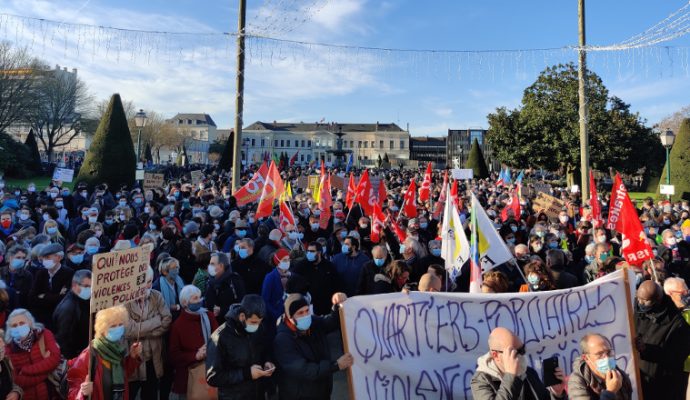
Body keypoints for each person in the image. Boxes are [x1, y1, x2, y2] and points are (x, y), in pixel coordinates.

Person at [273, 292, 353, 400]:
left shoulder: (313, 323)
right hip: (299, 395)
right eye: (300, 313)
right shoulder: (282, 340)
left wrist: (337, 305)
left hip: (321, 391)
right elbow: (305, 370)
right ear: (290, 317)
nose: (305, 316)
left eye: (307, 311)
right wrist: (336, 365)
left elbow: (331, 322)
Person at [67, 305, 143, 400]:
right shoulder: (90, 353)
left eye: (120, 324)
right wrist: (82, 393)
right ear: (102, 328)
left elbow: (123, 375)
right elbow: (72, 387)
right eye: (113, 326)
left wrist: (132, 357)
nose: (118, 328)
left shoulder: (117, 348)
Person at [206, 295, 274, 399]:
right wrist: (246, 373)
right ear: (242, 316)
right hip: (233, 396)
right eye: (254, 322)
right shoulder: (220, 337)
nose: (257, 326)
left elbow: (263, 349)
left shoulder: (258, 328)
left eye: (260, 322)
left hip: (257, 393)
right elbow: (213, 377)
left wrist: (267, 362)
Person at [470, 327, 566, 399]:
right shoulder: (481, 381)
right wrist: (511, 376)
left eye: (522, 350)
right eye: (514, 352)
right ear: (496, 355)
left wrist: (557, 394)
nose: (521, 356)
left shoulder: (528, 372)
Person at [634, 280, 690, 399]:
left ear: (657, 300)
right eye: (639, 299)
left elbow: (677, 357)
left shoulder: (678, 324)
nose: (640, 303)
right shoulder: (635, 309)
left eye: (645, 301)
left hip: (661, 386)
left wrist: (647, 349)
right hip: (636, 379)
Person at [125, 267, 172, 400]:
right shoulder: (125, 301)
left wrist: (140, 332)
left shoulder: (156, 296)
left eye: (150, 281)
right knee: (130, 393)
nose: (147, 286)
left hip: (153, 356)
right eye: (143, 282)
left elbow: (167, 321)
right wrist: (156, 321)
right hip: (133, 357)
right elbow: (128, 330)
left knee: (151, 393)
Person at [169, 285, 219, 398]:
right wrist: (195, 355)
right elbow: (174, 356)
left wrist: (210, 348)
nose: (199, 301)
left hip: (211, 371)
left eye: (199, 297)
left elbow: (219, 339)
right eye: (194, 298)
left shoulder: (209, 316)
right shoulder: (178, 325)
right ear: (185, 302)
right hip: (187, 378)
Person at [4, 308, 61, 400]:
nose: (18, 327)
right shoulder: (9, 349)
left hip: (50, 394)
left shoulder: (44, 334)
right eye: (14, 325)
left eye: (22, 323)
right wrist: (45, 367)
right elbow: (17, 381)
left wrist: (26, 370)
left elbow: (55, 359)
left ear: (30, 323)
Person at [568, 333, 632, 400]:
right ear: (586, 358)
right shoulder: (577, 381)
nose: (606, 358)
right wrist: (610, 392)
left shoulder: (621, 376)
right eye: (599, 354)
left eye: (608, 352)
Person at [29, 243, 74, 327]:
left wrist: (44, 296)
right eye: (43, 258)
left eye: (48, 258)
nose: (44, 261)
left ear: (59, 257)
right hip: (41, 318)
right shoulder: (41, 273)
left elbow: (64, 299)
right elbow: (32, 297)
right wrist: (56, 295)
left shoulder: (69, 273)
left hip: (60, 317)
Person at [52, 269, 91, 359]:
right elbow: (64, 339)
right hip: (75, 357)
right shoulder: (68, 308)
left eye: (91, 286)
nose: (89, 289)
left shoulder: (82, 300)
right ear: (74, 285)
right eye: (86, 286)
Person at [292, 242, 337, 315]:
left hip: (326, 306)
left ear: (319, 252)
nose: (309, 253)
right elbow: (293, 281)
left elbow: (335, 284)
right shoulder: (301, 266)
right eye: (308, 251)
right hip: (308, 306)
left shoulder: (329, 266)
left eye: (312, 251)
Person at [205, 252, 246, 325]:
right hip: (213, 324)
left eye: (212, 264)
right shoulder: (210, 281)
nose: (209, 266)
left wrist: (222, 310)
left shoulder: (235, 281)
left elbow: (241, 304)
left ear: (221, 266)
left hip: (230, 324)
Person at [0, 330, 22, 399]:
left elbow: (16, 383)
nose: (3, 344)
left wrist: (16, 392)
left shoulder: (6, 362)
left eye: (2, 340)